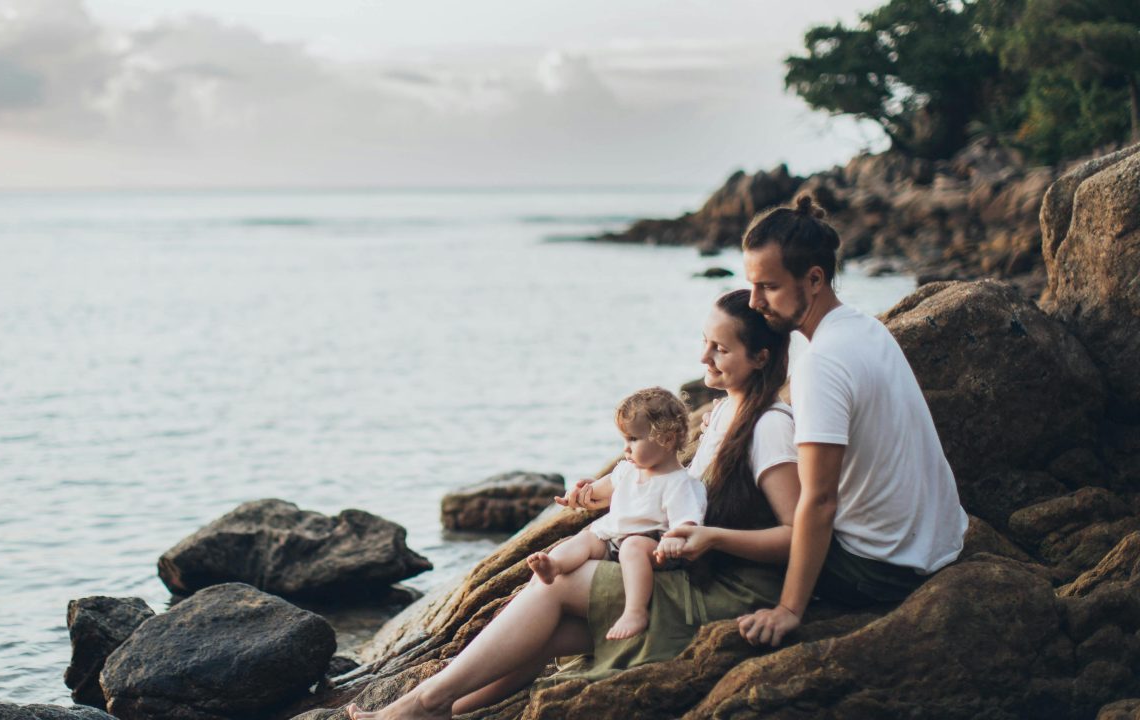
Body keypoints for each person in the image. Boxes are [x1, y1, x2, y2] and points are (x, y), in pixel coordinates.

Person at [348, 290, 799, 720]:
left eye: (719, 349)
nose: (703, 356)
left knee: (557, 585)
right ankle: (447, 710)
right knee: (547, 634)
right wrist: (607, 494)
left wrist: (711, 537)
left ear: (760, 358)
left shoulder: (769, 429)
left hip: (732, 589)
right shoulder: (722, 412)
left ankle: (422, 703)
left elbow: (797, 538)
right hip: (692, 570)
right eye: (705, 342)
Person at [734, 194, 968, 649]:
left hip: (882, 570)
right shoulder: (863, 327)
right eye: (751, 285)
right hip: (939, 545)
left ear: (814, 279)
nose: (754, 301)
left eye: (769, 286)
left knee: (742, 509)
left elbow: (819, 502)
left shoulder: (820, 363)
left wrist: (788, 610)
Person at [525, 387, 707, 641]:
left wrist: (674, 539)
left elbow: (687, 521)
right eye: (624, 440)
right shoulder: (628, 470)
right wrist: (577, 495)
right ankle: (555, 566)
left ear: (666, 439)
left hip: (655, 548)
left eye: (633, 439)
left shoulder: (678, 483)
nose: (626, 449)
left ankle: (635, 611)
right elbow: (599, 489)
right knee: (587, 538)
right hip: (615, 540)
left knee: (633, 546)